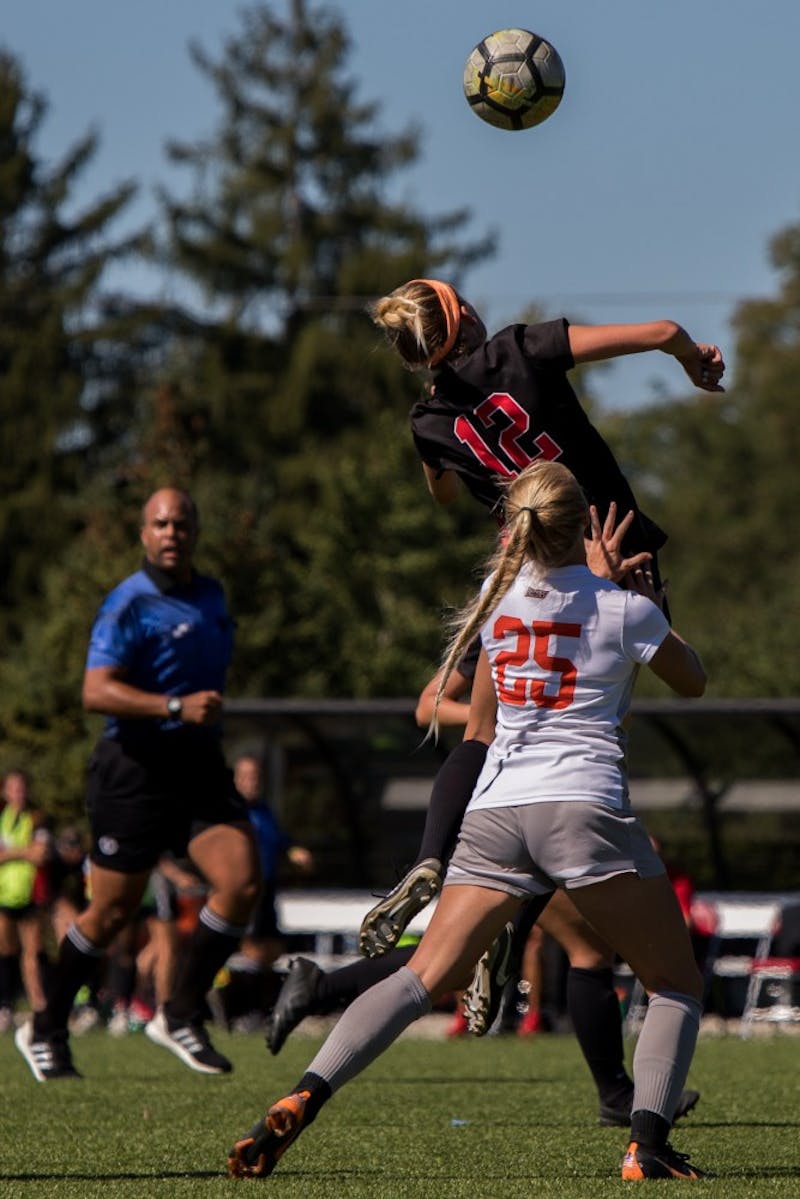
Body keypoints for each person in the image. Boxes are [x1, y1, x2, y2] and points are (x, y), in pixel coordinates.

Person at [228, 460, 708, 1182]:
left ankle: (306, 1090)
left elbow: (481, 722)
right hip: (582, 806)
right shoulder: (621, 608)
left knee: (422, 975)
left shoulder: (495, 596)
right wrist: (635, 595)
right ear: (583, 526)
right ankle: (646, 1143)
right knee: (675, 982)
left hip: (496, 807)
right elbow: (693, 678)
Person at [15, 488, 260, 1081]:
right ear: (144, 534)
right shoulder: (128, 604)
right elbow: (94, 691)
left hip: (197, 767)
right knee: (111, 912)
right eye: (160, 523)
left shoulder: (211, 594)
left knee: (241, 882)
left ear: (195, 529)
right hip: (133, 771)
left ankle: (177, 1012)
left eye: (181, 521)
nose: (171, 531)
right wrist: (174, 704)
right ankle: (44, 1026)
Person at [213, 754, 313, 1031]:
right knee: (251, 950)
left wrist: (293, 851)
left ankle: (258, 1010)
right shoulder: (230, 812)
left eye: (255, 776)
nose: (251, 782)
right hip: (242, 889)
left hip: (266, 888)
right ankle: (242, 1011)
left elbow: (278, 840)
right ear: (235, 780)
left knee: (271, 950)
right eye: (245, 776)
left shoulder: (265, 811)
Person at [0, 770, 52, 1030]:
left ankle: (39, 1004)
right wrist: (24, 852)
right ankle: (5, 1005)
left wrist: (9, 853)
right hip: (4, 892)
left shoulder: (38, 818)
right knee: (6, 950)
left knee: (32, 952)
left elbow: (41, 854)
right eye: (13, 788)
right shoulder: (2, 818)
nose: (18, 793)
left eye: (21, 788)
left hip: (31, 891)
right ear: (5, 792)